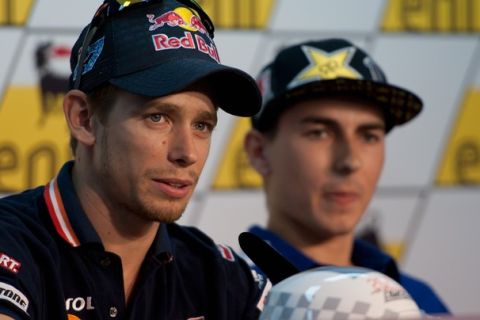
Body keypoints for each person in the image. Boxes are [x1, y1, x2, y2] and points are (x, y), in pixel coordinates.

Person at [0, 0, 267, 319]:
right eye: (158, 118)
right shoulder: (12, 243)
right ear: (83, 118)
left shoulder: (223, 277)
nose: (187, 153)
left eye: (201, 125)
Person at [243, 38, 450, 315]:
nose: (350, 161)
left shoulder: (419, 299)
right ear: (259, 152)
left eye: (369, 136)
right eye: (320, 132)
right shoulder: (227, 295)